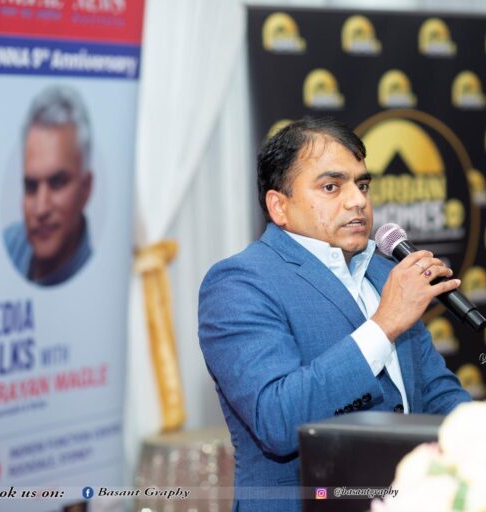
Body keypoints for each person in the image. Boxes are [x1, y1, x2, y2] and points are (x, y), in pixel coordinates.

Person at [198, 117, 471, 512]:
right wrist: (384, 325)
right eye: (332, 187)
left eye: (363, 185)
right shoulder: (240, 282)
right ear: (279, 206)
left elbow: (434, 391)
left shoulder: (383, 273)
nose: (357, 200)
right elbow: (277, 420)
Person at [4, 85, 93, 286]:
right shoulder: (7, 244)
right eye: (31, 186)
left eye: (57, 183)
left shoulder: (101, 280)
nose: (41, 209)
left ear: (86, 188)